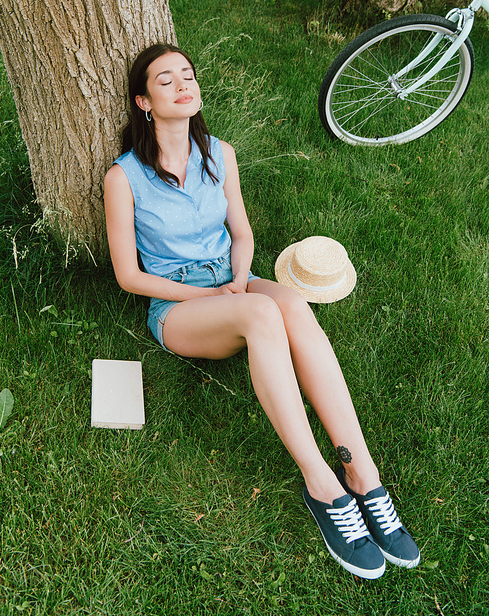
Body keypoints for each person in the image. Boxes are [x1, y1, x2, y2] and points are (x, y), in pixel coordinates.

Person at [104, 43, 420, 580]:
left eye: (188, 74)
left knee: (292, 306)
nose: (184, 84)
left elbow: (242, 232)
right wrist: (215, 297)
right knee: (260, 317)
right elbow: (129, 277)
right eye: (165, 80)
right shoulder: (124, 177)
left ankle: (363, 475)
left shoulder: (219, 153)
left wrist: (238, 280)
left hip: (233, 280)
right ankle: (322, 485)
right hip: (177, 303)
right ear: (143, 101)